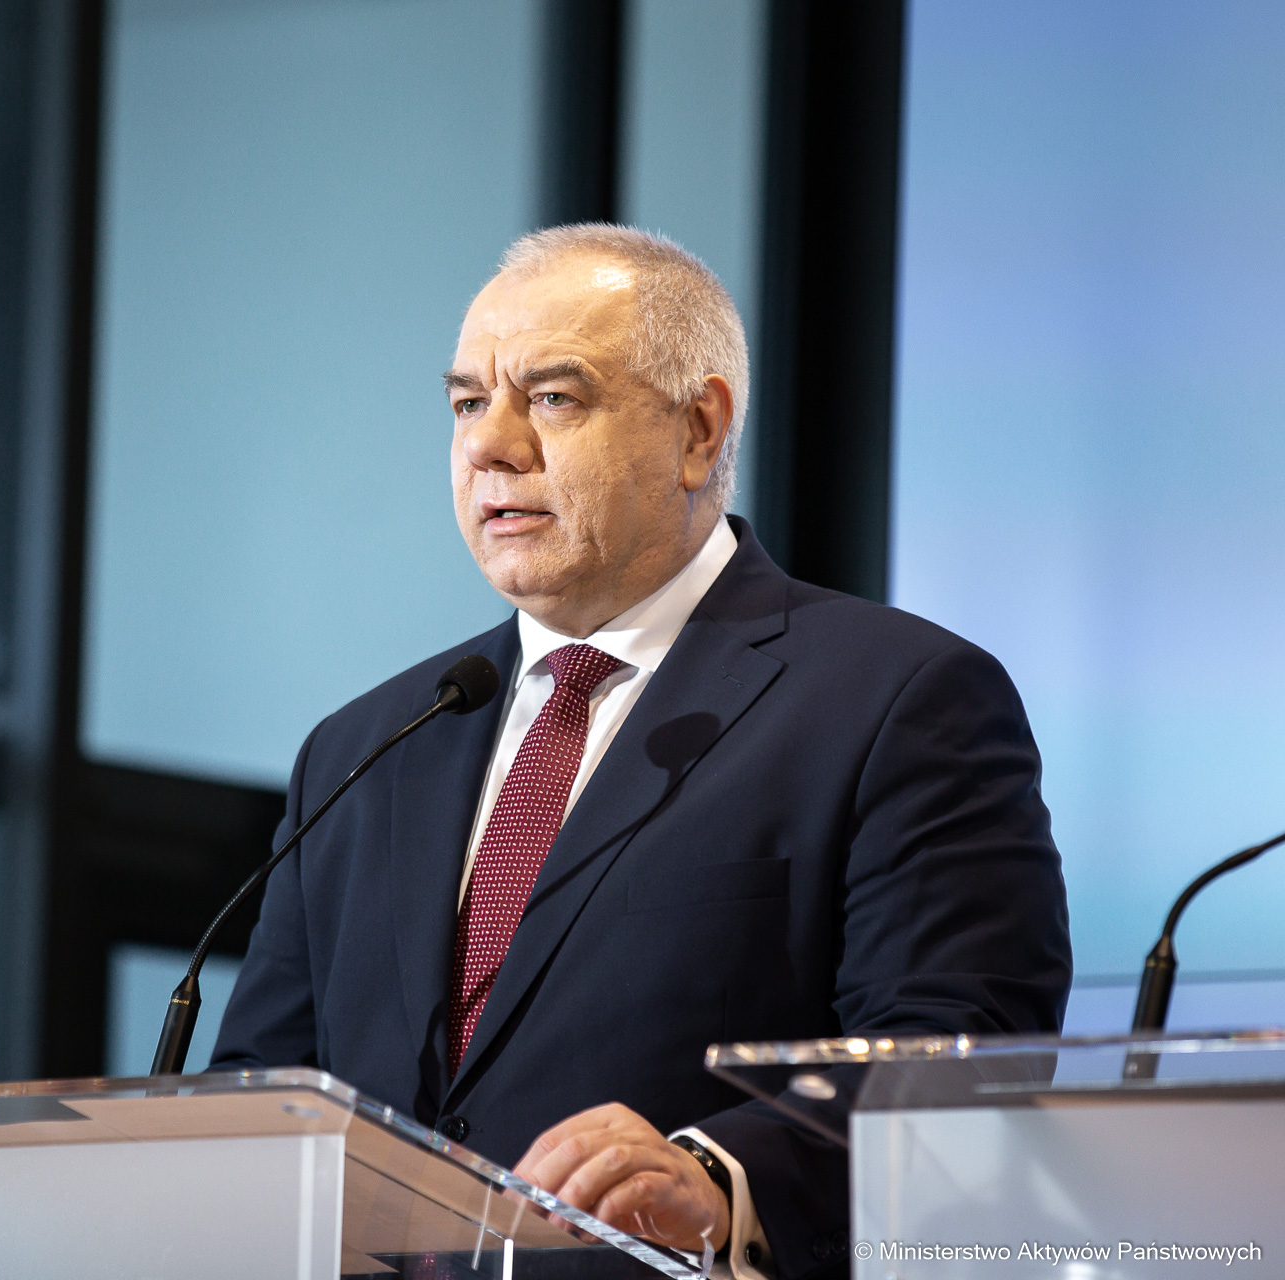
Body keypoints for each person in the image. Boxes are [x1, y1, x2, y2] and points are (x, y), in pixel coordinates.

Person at [208, 223, 1071, 1279]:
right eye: (468, 403)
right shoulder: (366, 748)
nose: (489, 445)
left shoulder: (895, 699)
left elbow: (955, 1060)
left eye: (553, 397)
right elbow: (261, 1098)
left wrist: (720, 1180)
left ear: (699, 430)